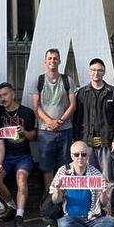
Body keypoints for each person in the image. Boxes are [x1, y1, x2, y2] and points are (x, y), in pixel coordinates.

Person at [51, 140, 114, 227]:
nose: (80, 157)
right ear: (72, 156)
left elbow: (104, 203)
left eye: (84, 154)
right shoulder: (63, 172)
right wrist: (58, 191)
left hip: (93, 219)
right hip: (72, 219)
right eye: (77, 154)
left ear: (88, 156)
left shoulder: (95, 173)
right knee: (64, 225)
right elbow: (55, 200)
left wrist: (104, 193)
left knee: (112, 222)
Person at [72, 58, 114, 196]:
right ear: (89, 72)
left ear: (104, 72)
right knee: (89, 177)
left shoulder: (113, 92)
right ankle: (93, 209)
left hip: (107, 141)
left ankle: (108, 210)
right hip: (86, 142)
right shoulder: (82, 93)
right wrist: (77, 141)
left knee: (108, 178)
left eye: (99, 70)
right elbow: (77, 119)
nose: (96, 73)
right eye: (93, 70)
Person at [0, 81, 37, 227]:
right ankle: (11, 206)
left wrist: (24, 132)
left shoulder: (26, 112)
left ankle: (19, 216)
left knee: (22, 179)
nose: (2, 98)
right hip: (5, 155)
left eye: (5, 95)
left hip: (23, 155)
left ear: (13, 94)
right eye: (0, 96)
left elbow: (33, 136)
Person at [32, 48, 76, 188]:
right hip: (45, 131)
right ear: (45, 61)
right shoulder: (39, 80)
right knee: (47, 167)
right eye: (50, 58)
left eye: (55, 58)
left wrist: (60, 121)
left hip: (65, 130)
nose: (52, 61)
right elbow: (36, 106)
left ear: (60, 61)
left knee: (65, 166)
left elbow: (73, 105)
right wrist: (50, 122)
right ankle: (49, 197)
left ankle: (62, 197)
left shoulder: (67, 80)